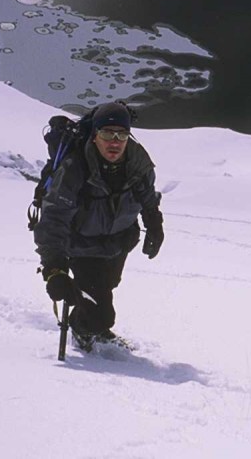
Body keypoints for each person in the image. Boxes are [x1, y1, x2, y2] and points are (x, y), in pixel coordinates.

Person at [33, 102, 164, 351]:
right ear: (95, 136)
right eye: (107, 134)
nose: (114, 141)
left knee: (107, 286)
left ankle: (96, 325)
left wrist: (154, 223)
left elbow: (147, 195)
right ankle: (84, 329)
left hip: (119, 241)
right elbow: (54, 219)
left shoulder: (138, 161)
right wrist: (55, 268)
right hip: (82, 244)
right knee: (101, 312)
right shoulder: (75, 168)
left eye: (121, 135)